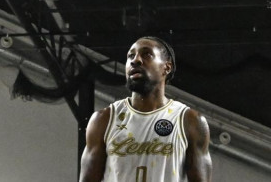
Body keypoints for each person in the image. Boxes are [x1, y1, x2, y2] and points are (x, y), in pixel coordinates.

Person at [79, 36, 212, 182]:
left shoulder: (190, 121)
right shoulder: (104, 119)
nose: (135, 60)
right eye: (131, 56)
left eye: (146, 54)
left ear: (166, 67)